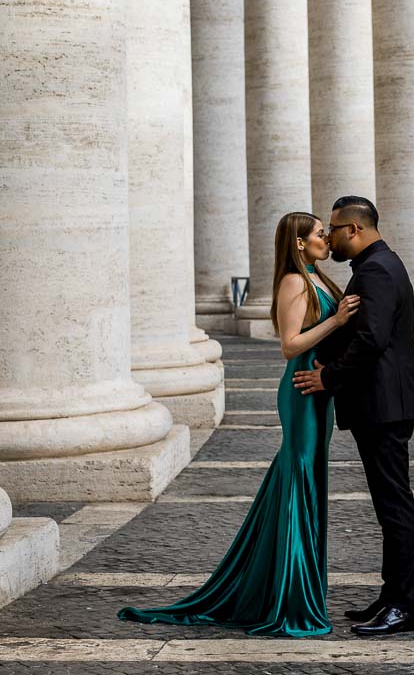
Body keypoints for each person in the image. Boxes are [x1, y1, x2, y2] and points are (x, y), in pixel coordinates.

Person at [117, 211, 360, 637]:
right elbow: (289, 346)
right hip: (301, 390)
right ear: (300, 243)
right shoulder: (293, 281)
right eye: (321, 234)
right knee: (299, 477)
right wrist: (336, 320)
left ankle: (296, 586)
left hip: (319, 393)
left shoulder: (317, 276)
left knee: (305, 479)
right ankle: (289, 596)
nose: (327, 239)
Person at [293, 195, 414, 636]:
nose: (329, 236)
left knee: (395, 507)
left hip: (384, 407)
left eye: (333, 228)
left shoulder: (378, 270)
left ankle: (402, 607)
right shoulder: (376, 266)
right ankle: (391, 598)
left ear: (354, 230)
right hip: (381, 404)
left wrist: (328, 378)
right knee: (390, 507)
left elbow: (370, 339)